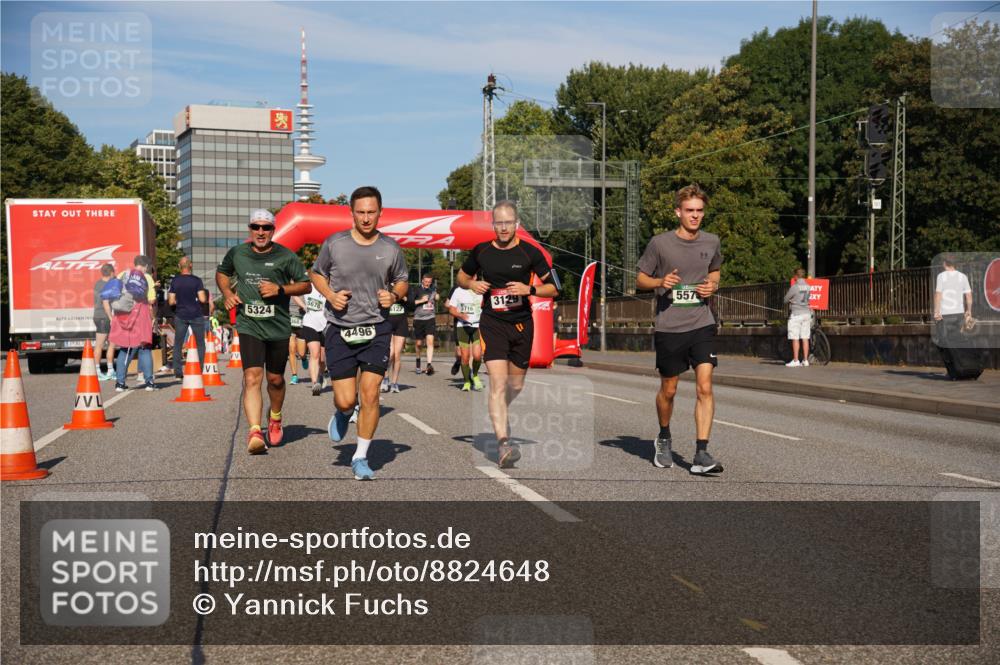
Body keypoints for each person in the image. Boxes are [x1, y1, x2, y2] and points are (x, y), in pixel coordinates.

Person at [309, 186, 408, 481]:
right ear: (351, 213)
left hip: (377, 327)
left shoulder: (390, 248)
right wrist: (330, 294)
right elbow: (315, 273)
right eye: (361, 212)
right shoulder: (335, 243)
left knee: (371, 394)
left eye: (371, 212)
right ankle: (342, 413)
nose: (366, 218)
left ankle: (361, 456)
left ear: (380, 212)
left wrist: (393, 295)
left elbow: (401, 281)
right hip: (340, 328)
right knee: (345, 400)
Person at [457, 200, 559, 468]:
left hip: (522, 324)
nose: (503, 228)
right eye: (498, 223)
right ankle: (503, 443)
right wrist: (472, 283)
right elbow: (461, 277)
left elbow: (553, 289)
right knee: (498, 384)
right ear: (493, 224)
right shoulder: (481, 251)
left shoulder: (530, 253)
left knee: (515, 386)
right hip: (492, 323)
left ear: (516, 224)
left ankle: (500, 409)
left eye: (508, 223)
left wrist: (530, 290)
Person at [635, 184, 722, 475]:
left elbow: (715, 270)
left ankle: (701, 453)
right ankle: (663, 435)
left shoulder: (712, 241)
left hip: (702, 322)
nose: (695, 216)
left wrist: (713, 285)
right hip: (670, 326)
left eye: (699, 211)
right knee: (669, 390)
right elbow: (640, 280)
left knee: (705, 386)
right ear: (678, 212)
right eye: (689, 211)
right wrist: (660, 283)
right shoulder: (660, 244)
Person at [217, 209, 312, 454]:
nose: (261, 232)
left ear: (273, 229)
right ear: (250, 229)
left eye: (266, 227)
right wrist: (228, 293)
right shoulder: (237, 253)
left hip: (278, 327)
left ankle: (276, 416)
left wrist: (280, 289)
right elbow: (222, 273)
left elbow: (306, 285)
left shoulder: (286, 256)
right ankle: (255, 431)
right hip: (249, 324)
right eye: (256, 227)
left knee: (275, 380)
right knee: (252, 377)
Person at [110, 255, 157, 392]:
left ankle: (120, 383)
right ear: (146, 266)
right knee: (145, 348)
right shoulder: (146, 277)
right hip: (141, 314)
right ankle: (149, 383)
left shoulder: (122, 274)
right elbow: (152, 300)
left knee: (125, 348)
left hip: (124, 315)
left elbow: (113, 294)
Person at [169, 256, 208, 378]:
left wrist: (179, 302)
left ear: (179, 267)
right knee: (200, 343)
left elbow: (171, 301)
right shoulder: (197, 280)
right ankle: (200, 369)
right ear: (190, 265)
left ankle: (178, 372)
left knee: (178, 343)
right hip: (196, 314)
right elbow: (202, 299)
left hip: (180, 315)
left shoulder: (175, 281)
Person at [447, 284, 484, 391]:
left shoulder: (480, 289)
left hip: (476, 326)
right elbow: (451, 309)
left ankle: (475, 375)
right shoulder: (458, 290)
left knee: (477, 356)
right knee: (465, 357)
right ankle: (467, 381)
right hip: (462, 327)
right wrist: (460, 315)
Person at [934, 255, 974, 346]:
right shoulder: (963, 276)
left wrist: (936, 311)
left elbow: (938, 294)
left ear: (945, 264)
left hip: (944, 315)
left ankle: (949, 360)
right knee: (957, 340)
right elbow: (968, 295)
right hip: (959, 314)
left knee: (943, 341)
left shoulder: (941, 276)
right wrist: (969, 311)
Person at [383, 280, 410, 394]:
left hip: (401, 324)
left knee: (397, 355)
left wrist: (405, 299)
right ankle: (385, 379)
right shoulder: (385, 286)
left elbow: (413, 304)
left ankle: (394, 383)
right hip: (388, 323)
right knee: (390, 354)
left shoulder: (405, 287)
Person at [300, 286, 327, 396]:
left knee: (322, 358)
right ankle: (315, 383)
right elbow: (294, 294)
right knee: (314, 354)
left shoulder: (327, 284)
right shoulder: (307, 283)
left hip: (325, 324)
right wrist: (303, 306)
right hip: (310, 323)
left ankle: (321, 374)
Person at [410, 272, 439, 375]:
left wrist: (437, 297)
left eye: (429, 282)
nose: (427, 284)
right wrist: (421, 300)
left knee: (430, 342)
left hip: (430, 318)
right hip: (418, 319)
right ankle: (418, 362)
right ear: (422, 280)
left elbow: (437, 298)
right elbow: (411, 303)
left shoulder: (433, 289)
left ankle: (429, 364)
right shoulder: (416, 289)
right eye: (426, 282)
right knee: (418, 344)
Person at [784, 268, 812, 367]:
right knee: (805, 337)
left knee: (795, 337)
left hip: (796, 314)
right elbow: (807, 300)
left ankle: (796, 360)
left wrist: (791, 301)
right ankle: (805, 360)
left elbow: (785, 299)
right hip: (807, 313)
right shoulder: (808, 287)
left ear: (796, 276)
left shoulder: (795, 287)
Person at [93, 263, 117, 380]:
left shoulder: (98, 283)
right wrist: (111, 318)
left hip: (97, 315)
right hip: (104, 316)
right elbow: (106, 303)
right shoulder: (108, 285)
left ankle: (107, 370)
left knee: (103, 344)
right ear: (111, 273)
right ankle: (103, 371)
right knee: (107, 345)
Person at [288, 297, 307, 384]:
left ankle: (303, 358)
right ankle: (294, 376)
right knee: (291, 349)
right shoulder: (287, 289)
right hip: (289, 321)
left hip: (302, 321)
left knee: (301, 353)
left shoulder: (305, 290)